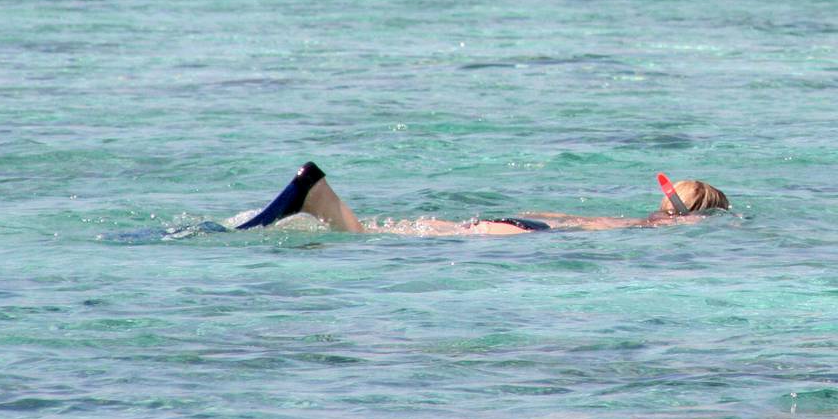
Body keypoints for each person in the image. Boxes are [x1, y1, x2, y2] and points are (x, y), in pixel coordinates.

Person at [235, 162, 731, 236]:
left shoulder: (630, 221)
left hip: (524, 226)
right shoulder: (654, 231)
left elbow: (556, 214)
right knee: (378, 241)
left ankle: (315, 197)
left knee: (393, 234)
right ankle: (315, 197)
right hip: (526, 238)